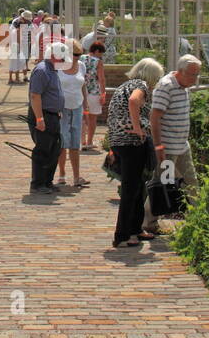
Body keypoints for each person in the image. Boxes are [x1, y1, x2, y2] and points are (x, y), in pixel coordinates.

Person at [107, 57, 164, 246]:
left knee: (138, 187)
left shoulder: (126, 85)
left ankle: (135, 229)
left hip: (119, 141)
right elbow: (134, 101)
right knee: (131, 189)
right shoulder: (141, 85)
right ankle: (122, 235)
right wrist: (138, 127)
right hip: (130, 142)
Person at [142, 55, 201, 237]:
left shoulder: (183, 87)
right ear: (180, 72)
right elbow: (155, 118)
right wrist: (159, 146)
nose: (195, 79)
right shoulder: (166, 87)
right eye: (192, 75)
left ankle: (199, 219)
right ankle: (148, 222)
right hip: (167, 149)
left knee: (191, 180)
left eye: (197, 75)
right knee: (163, 183)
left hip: (181, 146)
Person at [26, 40, 67, 194]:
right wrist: (39, 118)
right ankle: (37, 184)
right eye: (62, 58)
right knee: (43, 150)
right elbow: (35, 96)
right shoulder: (42, 70)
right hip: (43, 115)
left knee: (54, 149)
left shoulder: (52, 70)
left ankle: (47, 181)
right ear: (54, 56)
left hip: (53, 115)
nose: (64, 61)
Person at [55, 40, 90, 187]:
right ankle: (61, 174)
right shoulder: (58, 68)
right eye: (76, 54)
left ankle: (76, 176)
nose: (78, 57)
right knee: (62, 142)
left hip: (77, 107)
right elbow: (54, 89)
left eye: (80, 54)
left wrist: (86, 106)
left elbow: (83, 86)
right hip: (62, 109)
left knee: (75, 143)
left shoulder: (81, 66)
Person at [81, 40, 107, 151]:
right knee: (92, 119)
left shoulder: (80, 58)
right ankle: (90, 141)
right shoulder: (98, 62)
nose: (101, 56)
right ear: (97, 51)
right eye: (100, 53)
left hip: (81, 92)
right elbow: (101, 79)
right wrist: (103, 93)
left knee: (82, 118)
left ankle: (82, 141)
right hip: (94, 92)